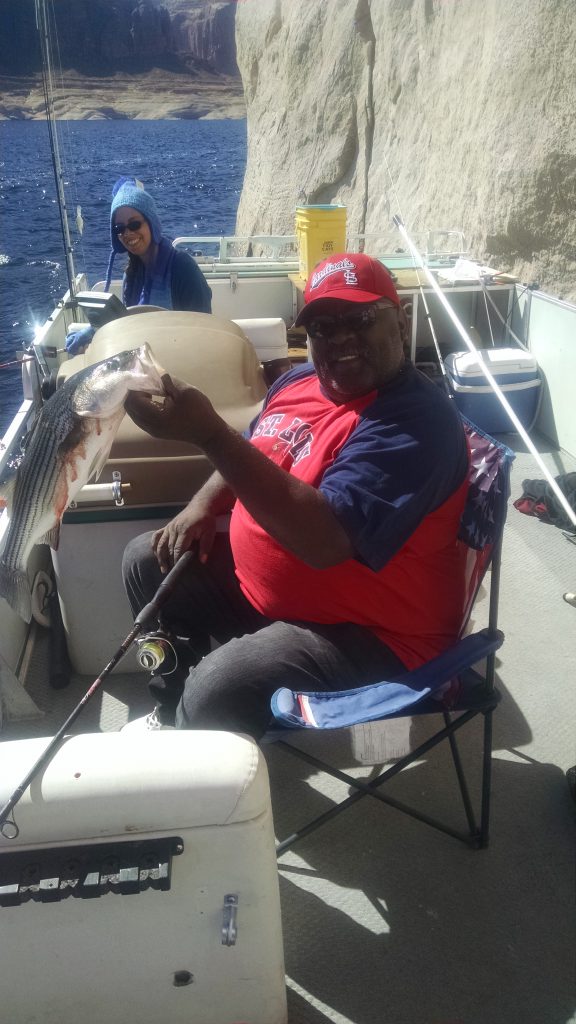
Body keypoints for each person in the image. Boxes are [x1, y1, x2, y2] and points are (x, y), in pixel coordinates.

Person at [122, 252, 470, 738]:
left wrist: (207, 434)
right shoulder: (299, 381)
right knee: (147, 558)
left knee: (219, 686)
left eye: (361, 319)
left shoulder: (416, 423)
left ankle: (193, 753)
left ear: (402, 320)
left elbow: (324, 543)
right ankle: (177, 713)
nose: (341, 337)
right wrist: (201, 505)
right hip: (273, 601)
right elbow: (254, 449)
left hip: (375, 637)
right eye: (323, 327)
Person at [66, 177, 212, 354]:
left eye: (134, 224)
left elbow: (204, 333)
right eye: (119, 228)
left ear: (151, 223)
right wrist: (95, 331)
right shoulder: (131, 275)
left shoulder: (183, 268)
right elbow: (130, 324)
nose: (128, 233)